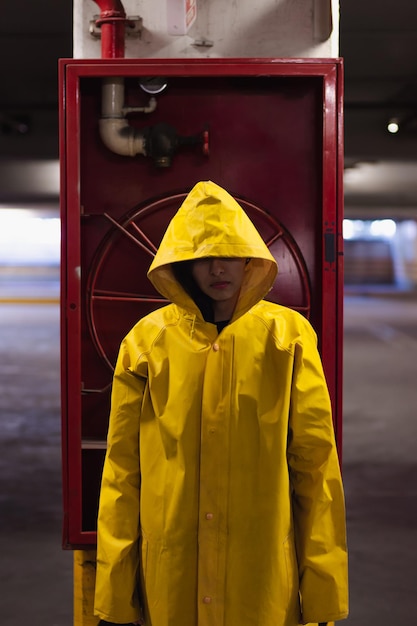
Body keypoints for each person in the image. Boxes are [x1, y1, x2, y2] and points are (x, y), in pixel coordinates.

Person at [94, 180, 349, 626]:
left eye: (228, 254)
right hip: (173, 576)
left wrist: (323, 591)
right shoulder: (148, 342)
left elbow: (316, 467)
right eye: (203, 257)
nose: (217, 269)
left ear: (250, 260)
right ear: (182, 265)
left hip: (262, 575)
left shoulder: (286, 338)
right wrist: (115, 594)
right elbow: (122, 471)